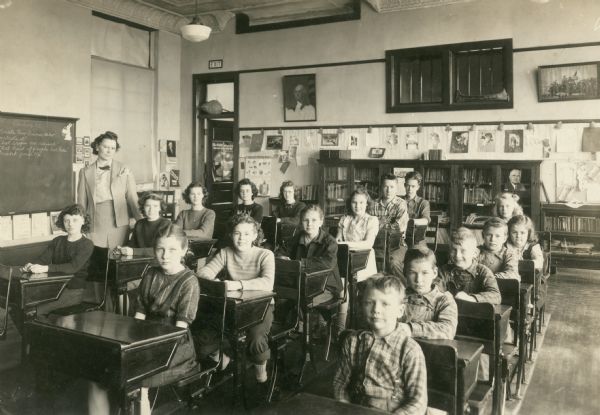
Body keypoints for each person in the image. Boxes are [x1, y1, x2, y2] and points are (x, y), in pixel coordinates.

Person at [88, 224, 200, 415]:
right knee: (99, 375)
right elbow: (139, 314)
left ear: (183, 250)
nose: (165, 255)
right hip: (145, 338)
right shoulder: (150, 272)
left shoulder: (189, 281)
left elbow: (179, 332)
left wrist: (142, 351)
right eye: (160, 249)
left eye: (172, 250)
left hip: (175, 347)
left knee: (134, 378)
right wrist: (133, 346)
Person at [196, 214, 274, 384]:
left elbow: (267, 283)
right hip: (233, 306)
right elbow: (203, 273)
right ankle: (222, 357)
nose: (242, 238)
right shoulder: (225, 252)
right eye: (237, 233)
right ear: (231, 235)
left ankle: (261, 371)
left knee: (256, 336)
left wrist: (235, 284)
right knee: (203, 332)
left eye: (247, 234)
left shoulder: (265, 254)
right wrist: (213, 281)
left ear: (255, 235)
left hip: (261, 306)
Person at [333, 275, 428, 414]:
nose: (376, 309)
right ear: (361, 305)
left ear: (400, 310)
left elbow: (418, 402)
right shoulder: (353, 341)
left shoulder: (410, 350)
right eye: (369, 302)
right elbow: (340, 384)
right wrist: (345, 407)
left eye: (385, 304)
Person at [77, 131, 142, 305]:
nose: (109, 151)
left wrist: (140, 221)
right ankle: (97, 304)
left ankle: (117, 305)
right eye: (105, 147)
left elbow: (132, 198)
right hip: (95, 221)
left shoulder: (124, 169)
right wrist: (80, 226)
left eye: (113, 148)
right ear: (97, 147)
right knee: (97, 262)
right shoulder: (85, 172)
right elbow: (81, 202)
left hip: (118, 222)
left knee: (116, 262)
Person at [276, 205, 345, 334]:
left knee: (297, 297)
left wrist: (298, 264)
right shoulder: (297, 237)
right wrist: (282, 257)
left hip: (326, 287)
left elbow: (326, 264)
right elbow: (282, 252)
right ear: (301, 221)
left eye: (314, 220)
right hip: (302, 284)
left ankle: (304, 326)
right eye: (305, 220)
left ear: (321, 221)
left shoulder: (329, 242)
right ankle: (293, 327)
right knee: (281, 293)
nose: (309, 224)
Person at [22, 204, 94, 316]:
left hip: (74, 291)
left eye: (75, 220)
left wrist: (45, 268)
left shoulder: (87, 244)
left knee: (31, 311)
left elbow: (72, 267)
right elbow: (43, 259)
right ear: (62, 223)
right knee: (21, 307)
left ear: (83, 221)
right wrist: (32, 265)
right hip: (54, 289)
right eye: (67, 220)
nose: (70, 224)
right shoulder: (57, 241)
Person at [401, 247, 457, 340]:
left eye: (425, 273)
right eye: (412, 273)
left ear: (434, 273)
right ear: (405, 273)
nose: (418, 280)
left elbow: (448, 330)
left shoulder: (444, 300)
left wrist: (410, 329)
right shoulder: (398, 296)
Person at [437, 227, 501, 305]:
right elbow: (435, 289)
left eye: (463, 251)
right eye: (454, 250)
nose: (457, 255)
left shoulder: (483, 272)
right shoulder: (443, 271)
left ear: (475, 253)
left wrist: (472, 298)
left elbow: (496, 296)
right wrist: (442, 295)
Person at [389, 171, 431, 278]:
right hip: (400, 241)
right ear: (404, 185)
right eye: (407, 185)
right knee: (392, 261)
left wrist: (409, 221)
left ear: (418, 187)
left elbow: (426, 220)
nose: (410, 189)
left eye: (413, 186)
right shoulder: (397, 201)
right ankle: (405, 286)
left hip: (417, 240)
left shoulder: (423, 203)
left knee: (420, 263)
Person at [337, 187, 379, 281]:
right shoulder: (345, 219)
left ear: (367, 204)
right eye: (354, 202)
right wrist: (340, 243)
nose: (357, 206)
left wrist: (345, 244)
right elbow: (338, 240)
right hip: (345, 255)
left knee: (355, 280)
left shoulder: (372, 220)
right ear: (350, 203)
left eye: (361, 202)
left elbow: (368, 244)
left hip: (364, 256)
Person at [368, 173, 408, 272]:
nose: (389, 190)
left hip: (397, 244)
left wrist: (378, 223)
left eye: (392, 187)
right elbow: (367, 226)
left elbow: (398, 228)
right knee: (366, 260)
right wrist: (387, 223)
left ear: (396, 188)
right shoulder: (373, 204)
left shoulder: (401, 204)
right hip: (375, 243)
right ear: (381, 187)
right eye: (386, 186)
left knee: (393, 262)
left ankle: (402, 286)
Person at [273, 180, 306, 247]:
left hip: (296, 237)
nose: (287, 194)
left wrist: (280, 220)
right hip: (281, 236)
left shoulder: (301, 205)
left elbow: (296, 221)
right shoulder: (280, 206)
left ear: (294, 192)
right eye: (285, 191)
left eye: (289, 192)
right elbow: (274, 219)